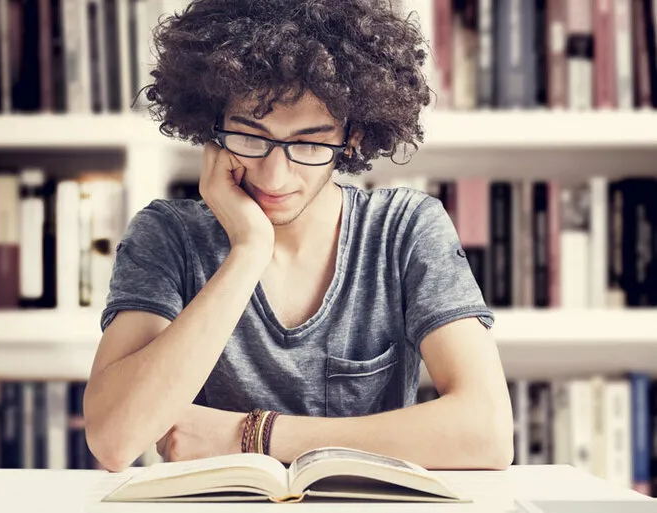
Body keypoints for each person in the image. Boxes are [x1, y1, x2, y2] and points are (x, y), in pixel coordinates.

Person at [83, 0, 513, 473]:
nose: (275, 174)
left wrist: (251, 435)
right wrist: (248, 251)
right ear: (213, 128)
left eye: (308, 143)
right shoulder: (168, 235)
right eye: (250, 136)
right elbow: (114, 440)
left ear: (351, 138)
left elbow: (486, 433)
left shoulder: (405, 229)